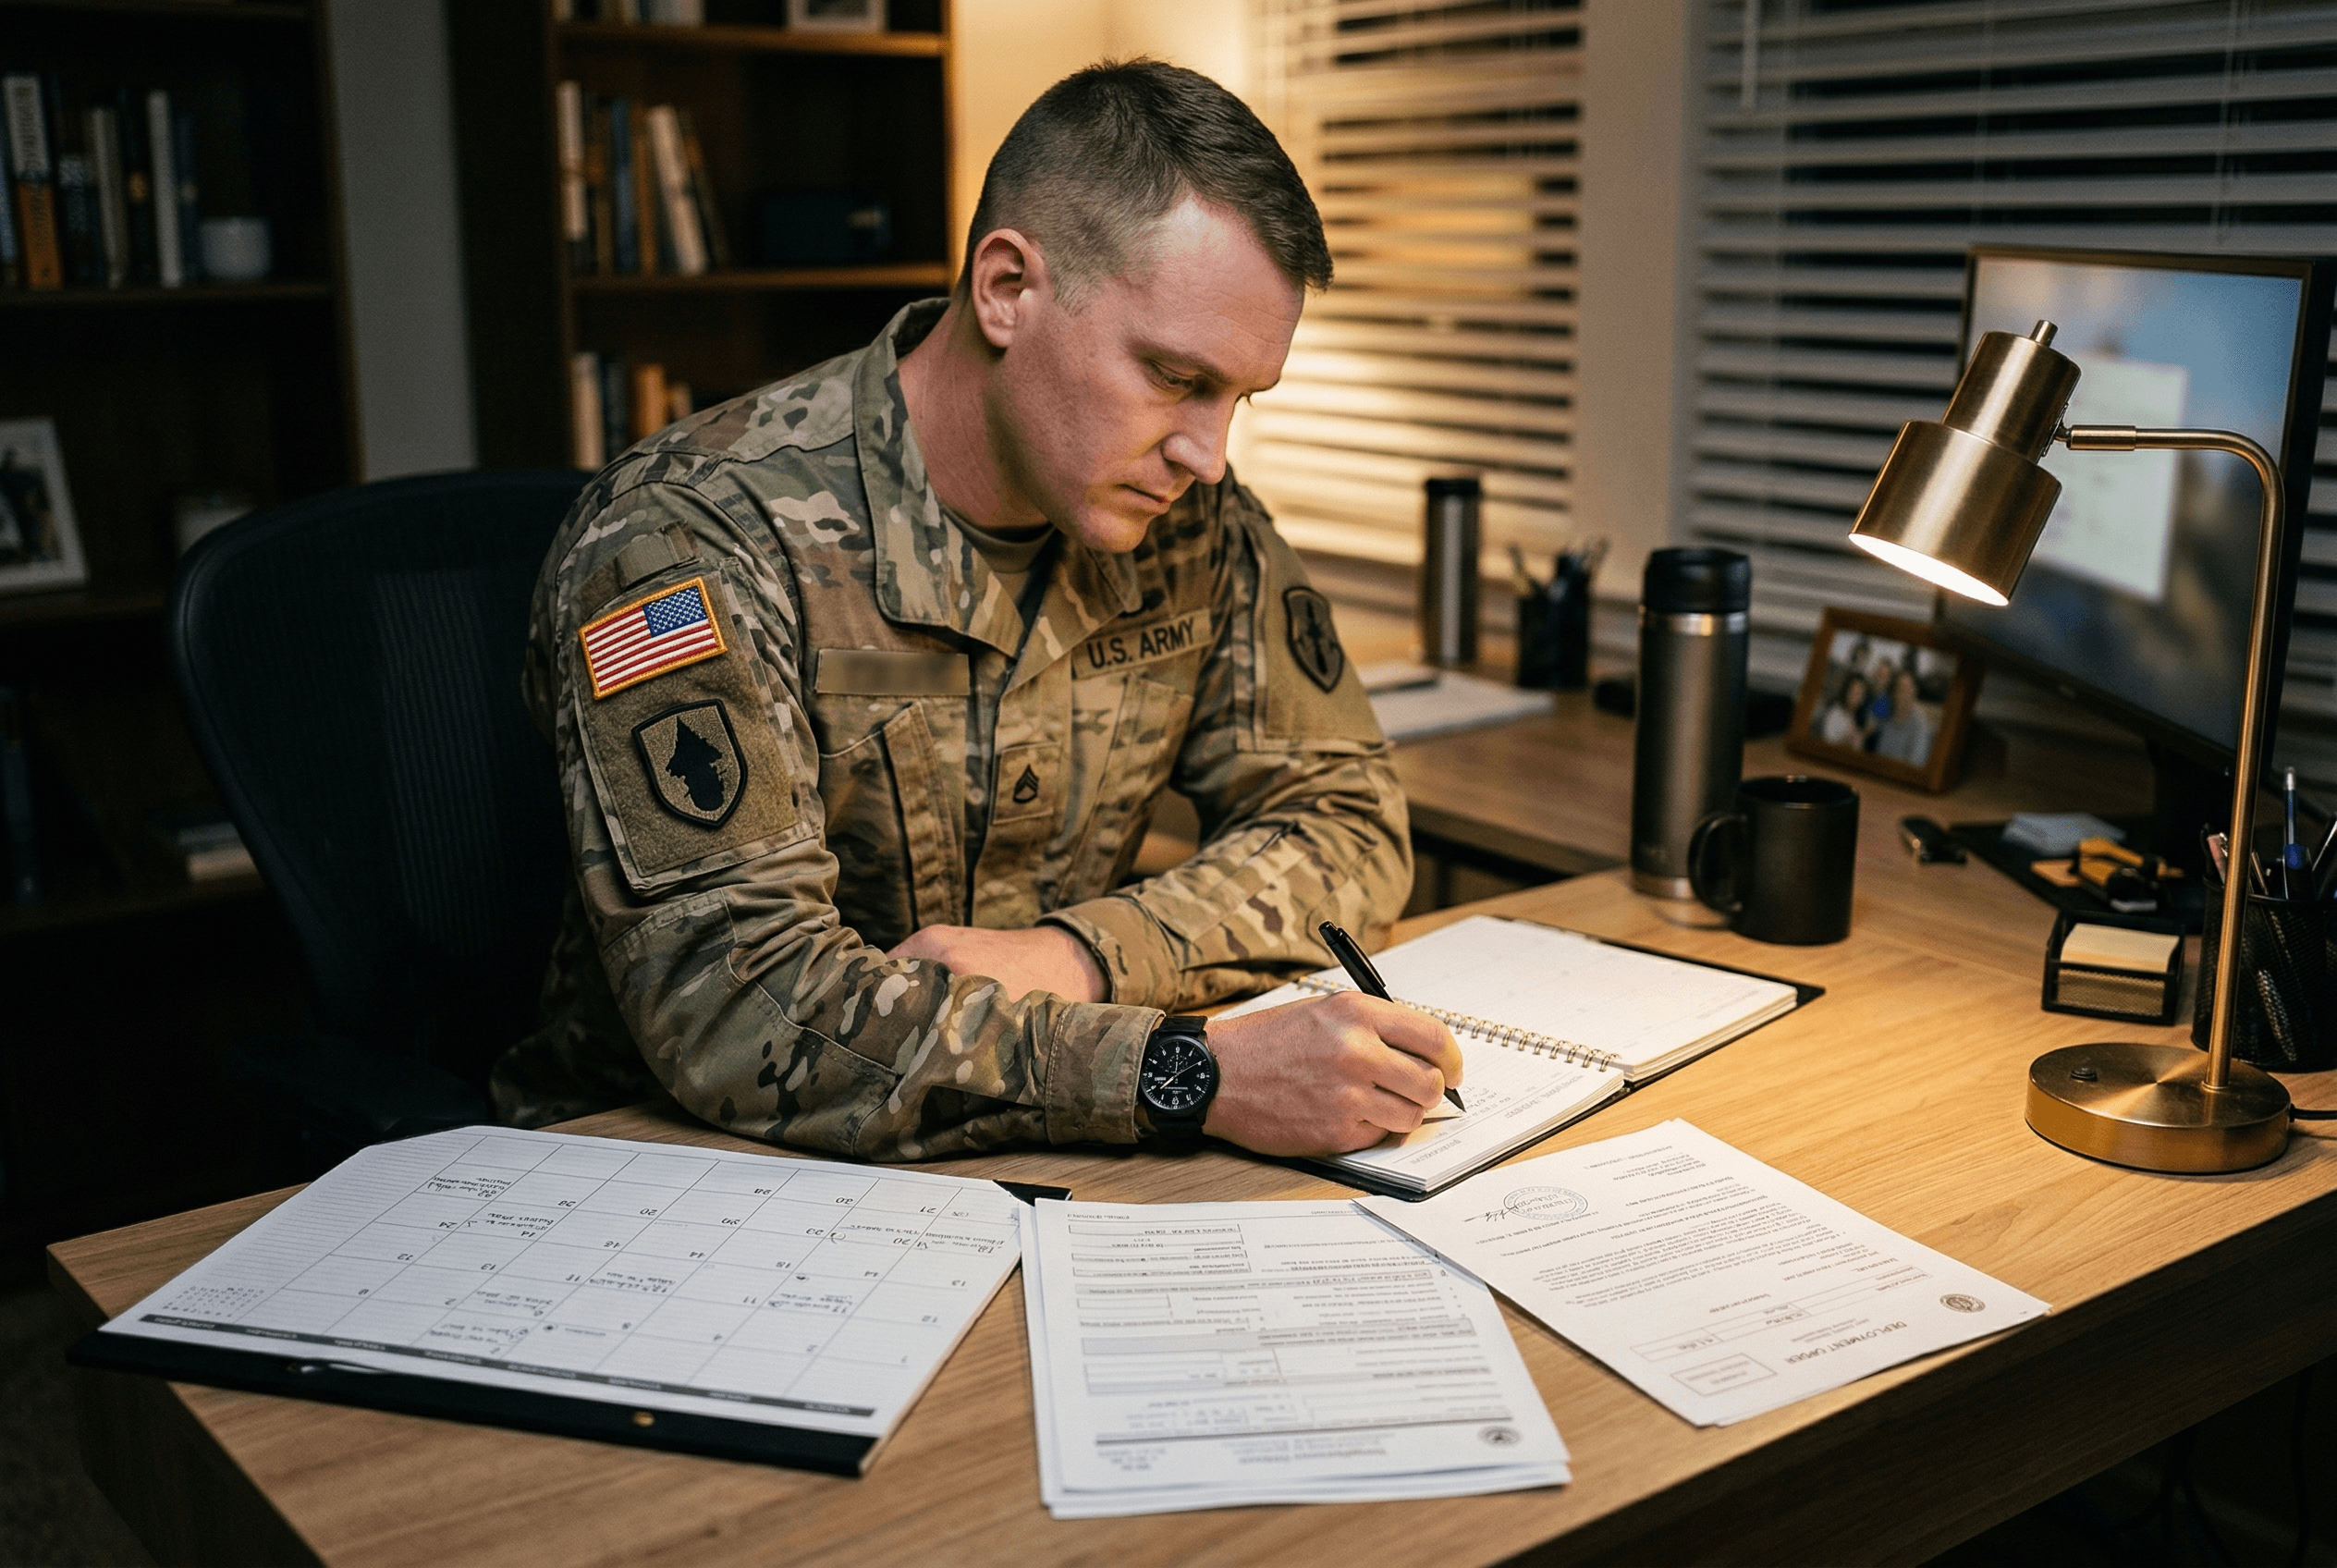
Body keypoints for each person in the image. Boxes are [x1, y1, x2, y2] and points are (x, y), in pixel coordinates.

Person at [488, 61, 1462, 1165]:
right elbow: (741, 1003)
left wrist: (1085, 955)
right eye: (1176, 377)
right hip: (675, 1171)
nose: (1208, 453)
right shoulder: (689, 538)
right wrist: (1185, 1072)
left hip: (1035, 1154)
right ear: (1005, 289)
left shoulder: (1189, 517)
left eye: (1239, 398)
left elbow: (1347, 815)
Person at [1873, 668, 1935, 765]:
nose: (1905, 694)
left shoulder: (1920, 726)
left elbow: (1914, 766)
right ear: (1894, 694)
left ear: (1915, 691)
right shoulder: (1887, 719)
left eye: (1908, 688)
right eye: (1901, 689)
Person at [1818, 673, 1871, 750]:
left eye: (1859, 693)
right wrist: (1847, 740)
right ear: (1847, 690)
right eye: (1853, 690)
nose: (1855, 696)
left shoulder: (1857, 720)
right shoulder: (1834, 713)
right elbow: (1826, 748)